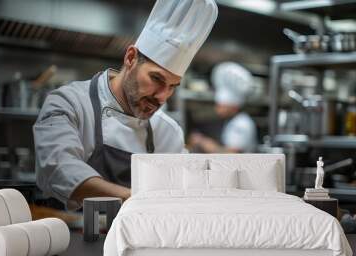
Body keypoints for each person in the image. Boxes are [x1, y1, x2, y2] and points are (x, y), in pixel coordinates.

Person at [33, 0, 218, 210]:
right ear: (130, 58)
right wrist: (134, 199)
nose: (162, 96)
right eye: (156, 79)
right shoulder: (70, 103)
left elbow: (182, 187)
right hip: (71, 235)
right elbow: (58, 168)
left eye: (172, 86)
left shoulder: (167, 131)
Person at [188, 62, 257, 153]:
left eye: (221, 105)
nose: (217, 108)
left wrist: (201, 141)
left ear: (234, 107)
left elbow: (231, 154)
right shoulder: (232, 121)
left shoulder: (241, 123)